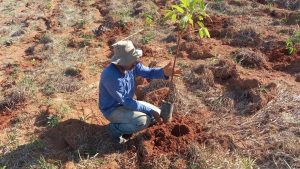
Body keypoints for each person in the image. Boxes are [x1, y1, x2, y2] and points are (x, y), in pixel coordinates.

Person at [99, 40, 173, 143]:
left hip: (129, 103)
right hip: (113, 109)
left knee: (158, 113)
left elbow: (148, 72)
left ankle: (131, 122)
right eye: (132, 59)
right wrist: (150, 111)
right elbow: (126, 101)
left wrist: (163, 72)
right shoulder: (111, 76)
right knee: (143, 121)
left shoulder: (132, 65)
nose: (136, 61)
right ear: (121, 62)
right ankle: (114, 130)